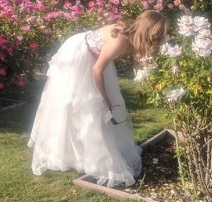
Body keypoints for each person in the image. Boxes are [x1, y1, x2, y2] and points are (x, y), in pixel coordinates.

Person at [29, 10, 170, 188]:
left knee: (90, 106)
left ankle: (79, 152)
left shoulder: (132, 34)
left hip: (92, 57)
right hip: (77, 56)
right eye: (157, 36)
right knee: (81, 103)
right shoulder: (119, 40)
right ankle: (70, 152)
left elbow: (135, 53)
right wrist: (105, 100)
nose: (158, 40)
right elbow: (97, 70)